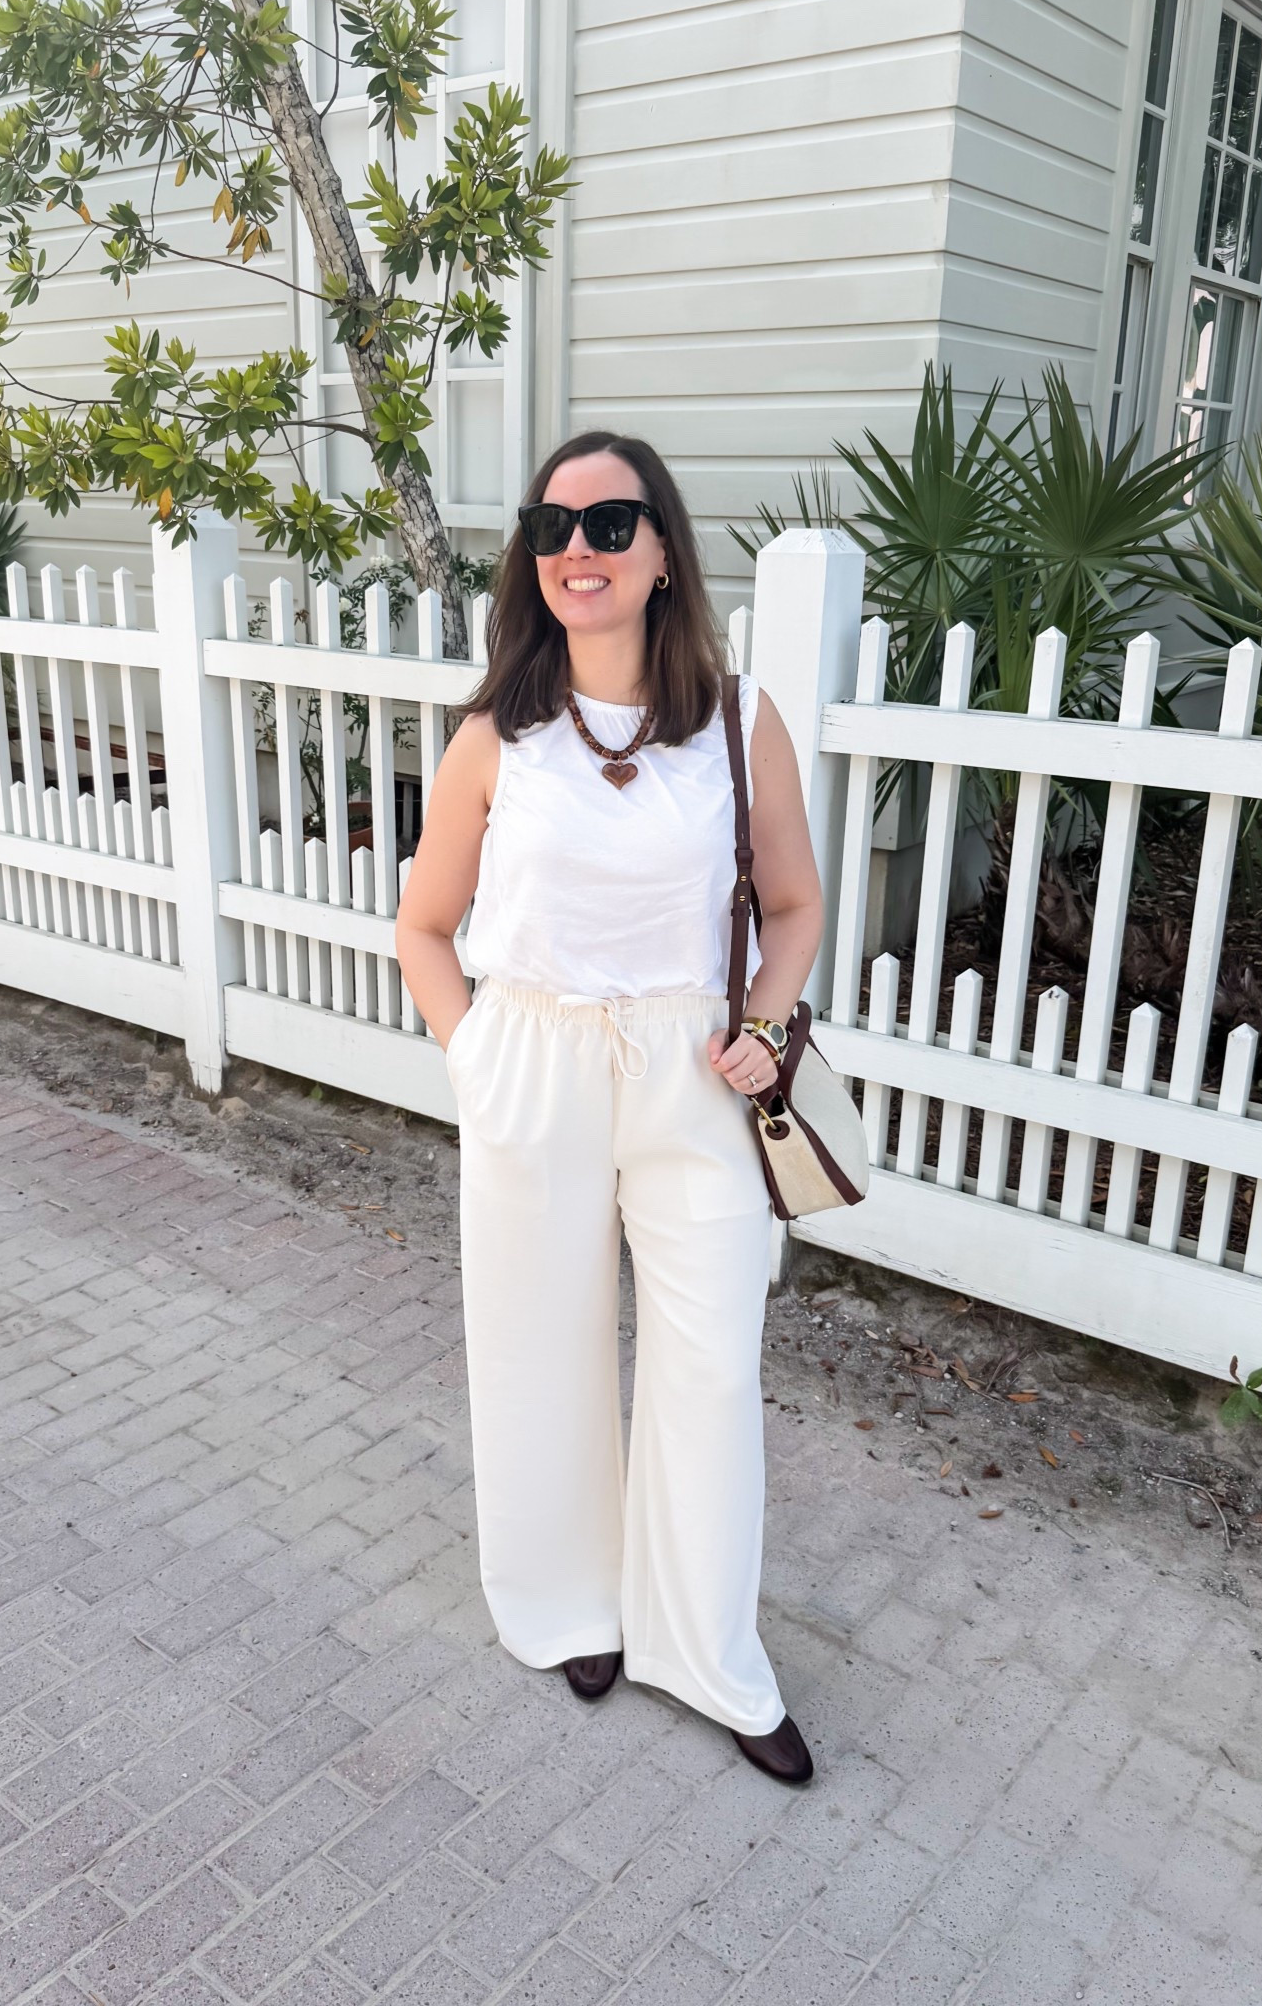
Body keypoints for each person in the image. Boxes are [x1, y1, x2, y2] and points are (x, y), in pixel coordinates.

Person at [395, 431, 824, 1784]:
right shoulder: (496, 738)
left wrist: (762, 1024)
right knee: (539, 1352)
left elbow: (796, 906)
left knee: (708, 1369)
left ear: (661, 552)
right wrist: (478, 1060)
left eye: (609, 522)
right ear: (531, 560)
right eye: (550, 527)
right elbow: (421, 928)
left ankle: (712, 1656)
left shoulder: (739, 719)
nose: (576, 548)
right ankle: (573, 1607)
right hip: (533, 1065)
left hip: (693, 1080)